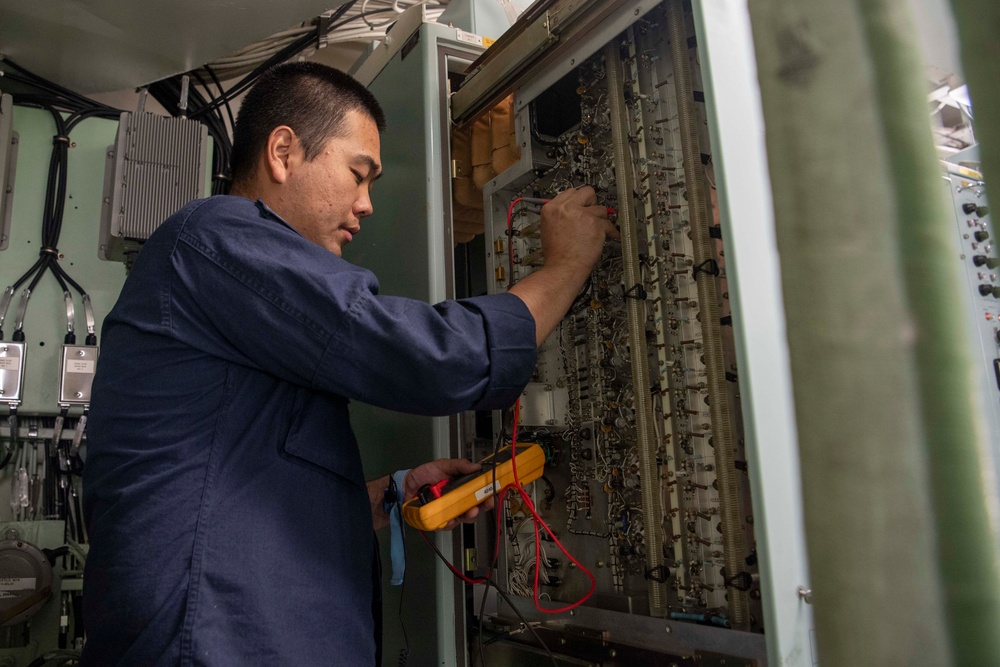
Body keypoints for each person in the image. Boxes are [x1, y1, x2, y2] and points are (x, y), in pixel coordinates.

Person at [81, 61, 616, 666]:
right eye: (358, 175)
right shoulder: (216, 239)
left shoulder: (222, 280)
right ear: (283, 151)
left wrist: (391, 494)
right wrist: (566, 268)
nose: (366, 206)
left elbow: (242, 483)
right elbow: (436, 358)